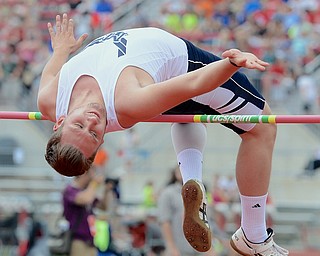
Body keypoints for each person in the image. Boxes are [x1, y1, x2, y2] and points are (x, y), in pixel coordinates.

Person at [37, 13, 288, 255]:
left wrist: (60, 50)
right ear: (102, 141)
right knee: (262, 128)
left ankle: (191, 178)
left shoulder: (49, 100)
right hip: (179, 65)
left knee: (186, 112)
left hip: (156, 80)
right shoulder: (127, 101)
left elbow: (49, 73)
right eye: (93, 134)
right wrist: (231, 63)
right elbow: (193, 83)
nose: (91, 121)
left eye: (79, 125)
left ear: (59, 120)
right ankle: (253, 236)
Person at [158, 166, 216, 256]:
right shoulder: (168, 193)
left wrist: (211, 247)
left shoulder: (203, 193)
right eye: (181, 169)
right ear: (175, 173)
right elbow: (165, 221)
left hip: (201, 250)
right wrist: (171, 246)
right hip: (179, 249)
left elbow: (207, 221)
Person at [62, 165, 109, 256]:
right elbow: (86, 199)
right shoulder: (70, 190)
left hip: (90, 241)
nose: (93, 177)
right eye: (92, 174)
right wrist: (94, 184)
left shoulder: (87, 191)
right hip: (77, 241)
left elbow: (103, 206)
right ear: (83, 174)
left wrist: (107, 190)